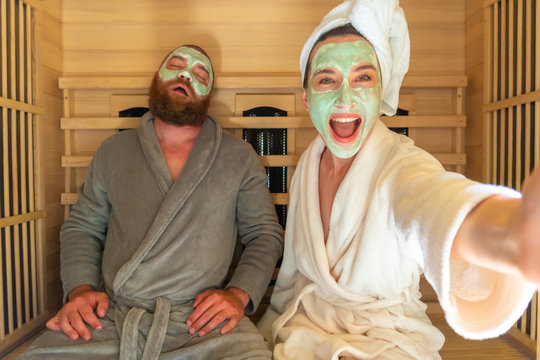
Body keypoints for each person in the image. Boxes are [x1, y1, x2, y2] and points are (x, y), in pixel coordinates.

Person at [257, 1, 539, 359]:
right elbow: (292, 277)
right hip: (308, 327)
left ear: (380, 92)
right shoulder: (307, 167)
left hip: (387, 338)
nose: (346, 98)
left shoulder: (402, 166)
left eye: (363, 77)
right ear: (306, 97)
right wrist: (270, 320)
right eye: (327, 79)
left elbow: (432, 203)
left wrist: (512, 233)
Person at [22, 44, 283, 360]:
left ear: (208, 97)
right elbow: (82, 229)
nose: (185, 75)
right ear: (156, 78)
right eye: (176, 65)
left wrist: (238, 295)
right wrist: (80, 291)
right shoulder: (113, 152)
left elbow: (264, 235)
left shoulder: (239, 158)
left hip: (201, 322)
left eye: (200, 73)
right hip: (114, 315)